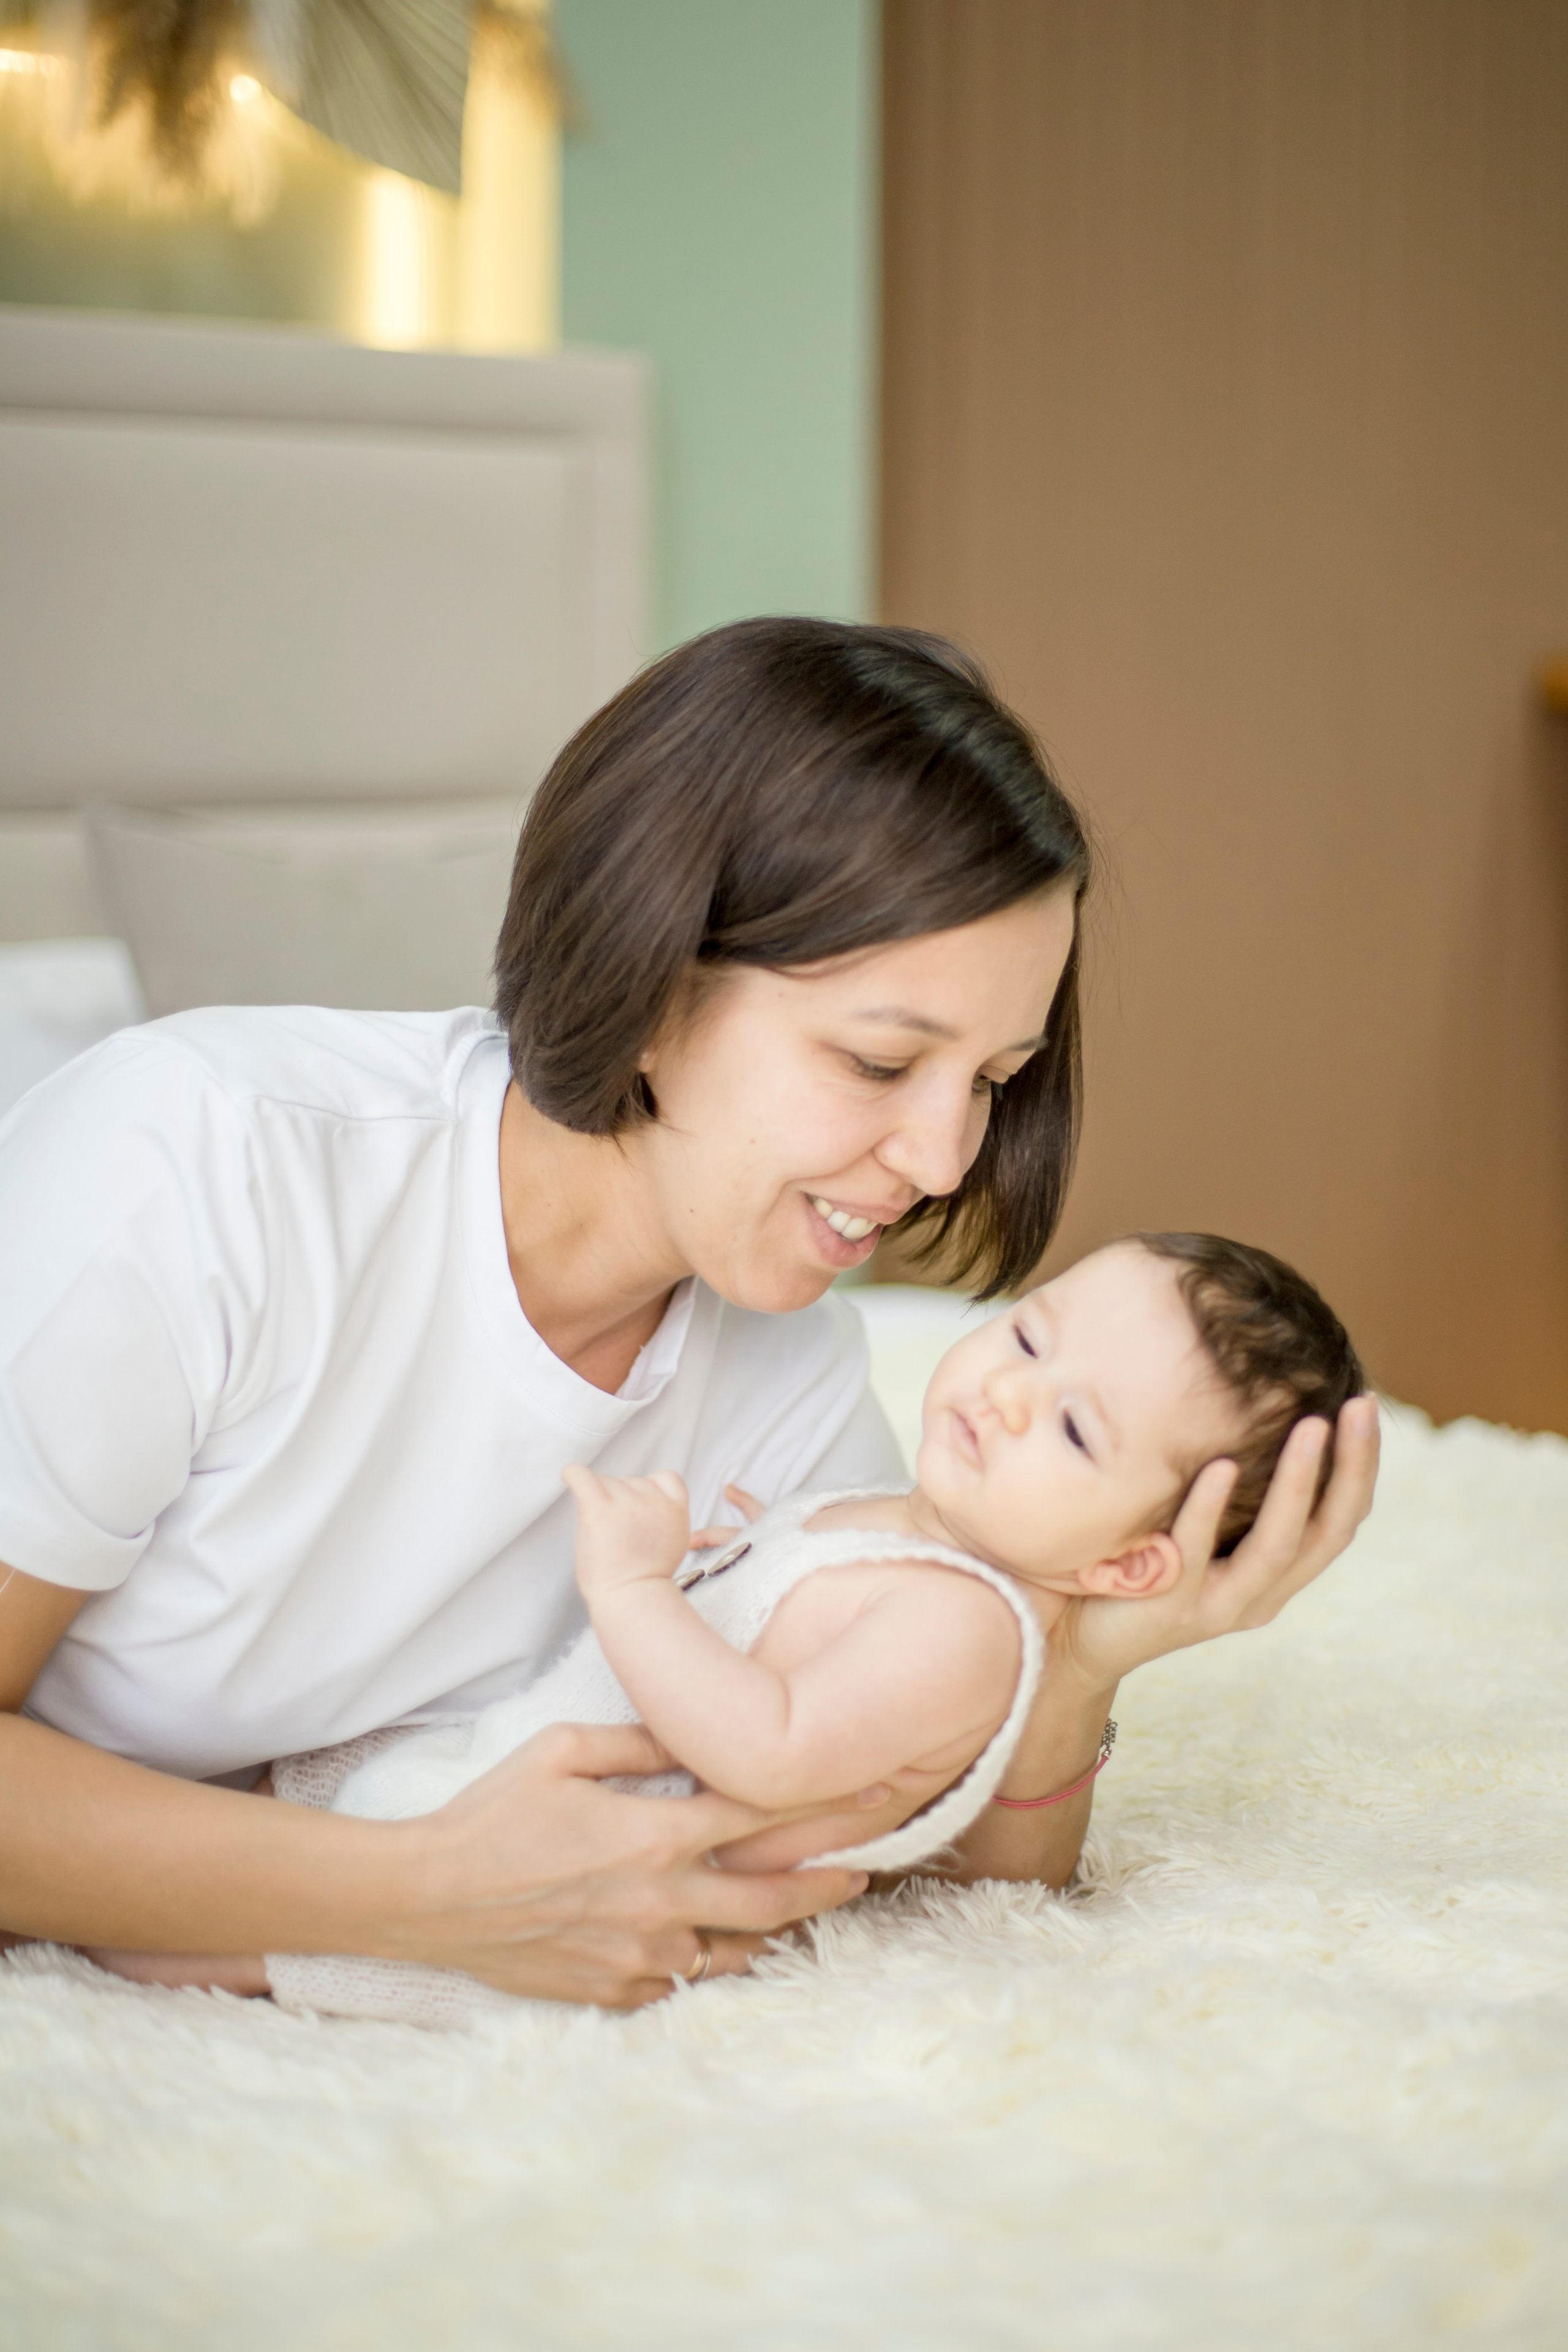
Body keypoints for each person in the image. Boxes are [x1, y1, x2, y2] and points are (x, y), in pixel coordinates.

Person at [0, 620, 1381, 2012]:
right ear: (650, 979)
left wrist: (1082, 1652)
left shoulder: (783, 1368)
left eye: (992, 1081)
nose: (944, 1160)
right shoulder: (196, 1170)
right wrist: (427, 1897)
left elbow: (941, 1863)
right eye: (879, 1059)